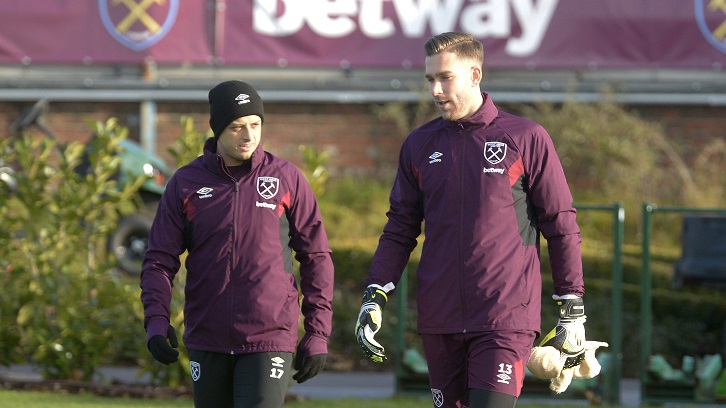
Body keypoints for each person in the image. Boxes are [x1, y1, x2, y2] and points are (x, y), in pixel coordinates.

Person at [355, 32, 586, 408]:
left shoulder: (526, 138)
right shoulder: (418, 144)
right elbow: (400, 227)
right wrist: (375, 292)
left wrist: (572, 305)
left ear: (475, 74)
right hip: (440, 318)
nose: (435, 89)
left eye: (445, 77)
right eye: (430, 79)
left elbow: (561, 226)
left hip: (504, 318)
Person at [141, 80, 334, 408]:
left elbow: (316, 256)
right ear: (216, 129)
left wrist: (318, 332)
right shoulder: (186, 183)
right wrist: (156, 320)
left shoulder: (286, 178)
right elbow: (160, 259)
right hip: (207, 336)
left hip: (269, 335)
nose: (249, 136)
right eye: (237, 127)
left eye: (256, 125)